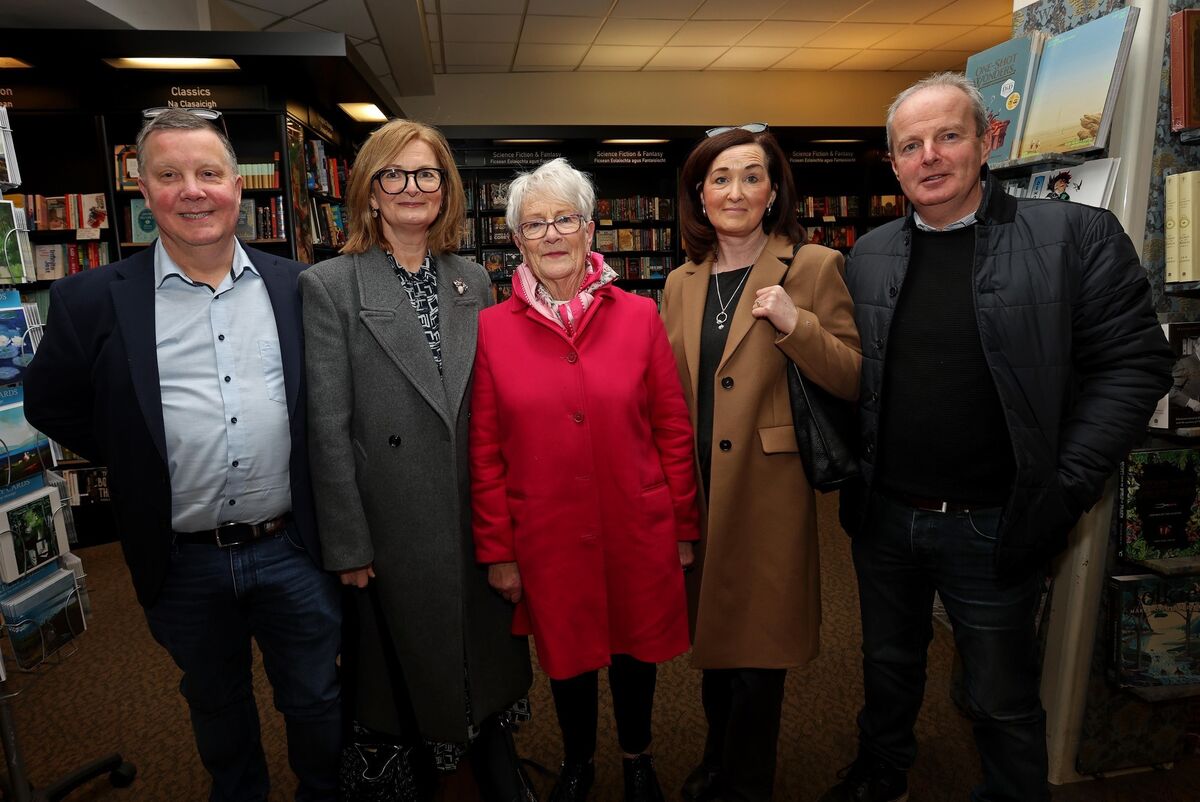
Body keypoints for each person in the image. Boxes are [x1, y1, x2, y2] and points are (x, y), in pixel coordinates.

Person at [823, 72, 1173, 802]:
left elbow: (1135, 364)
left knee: (1001, 695)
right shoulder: (869, 255)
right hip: (886, 520)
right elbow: (853, 375)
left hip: (996, 525)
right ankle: (880, 774)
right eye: (910, 145)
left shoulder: (1072, 236)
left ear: (989, 141)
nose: (930, 156)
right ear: (893, 164)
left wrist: (1066, 487)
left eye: (948, 135)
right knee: (887, 665)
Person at [23, 108, 342, 801]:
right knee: (217, 711)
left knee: (317, 702)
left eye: (209, 173)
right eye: (169, 175)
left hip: (294, 549)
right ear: (143, 189)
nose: (192, 190)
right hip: (182, 558)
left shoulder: (300, 288)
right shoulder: (89, 300)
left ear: (238, 184)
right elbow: (49, 404)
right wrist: (139, 454)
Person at [299, 119, 534, 800]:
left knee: (482, 672)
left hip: (473, 516)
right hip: (393, 528)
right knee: (413, 682)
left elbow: (492, 408)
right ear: (370, 193)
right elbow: (328, 427)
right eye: (394, 175)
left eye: (426, 174)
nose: (411, 188)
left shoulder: (472, 280)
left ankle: (490, 763)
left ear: (445, 190)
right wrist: (348, 544)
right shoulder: (331, 288)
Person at [470, 157, 699, 802]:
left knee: (635, 654)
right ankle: (577, 763)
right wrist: (499, 551)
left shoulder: (639, 317)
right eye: (533, 223)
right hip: (546, 534)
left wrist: (682, 527)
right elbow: (485, 451)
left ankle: (637, 756)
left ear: (590, 228)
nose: (550, 234)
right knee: (566, 659)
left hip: (637, 524)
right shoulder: (490, 330)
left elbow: (672, 431)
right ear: (515, 238)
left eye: (563, 219)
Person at [660, 125, 862, 802]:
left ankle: (745, 781)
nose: (735, 191)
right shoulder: (682, 283)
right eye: (720, 178)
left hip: (768, 490)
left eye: (751, 176)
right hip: (699, 490)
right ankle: (717, 758)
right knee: (716, 645)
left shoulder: (812, 267)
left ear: (774, 191)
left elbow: (853, 377)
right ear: (699, 194)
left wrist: (797, 324)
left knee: (760, 653)